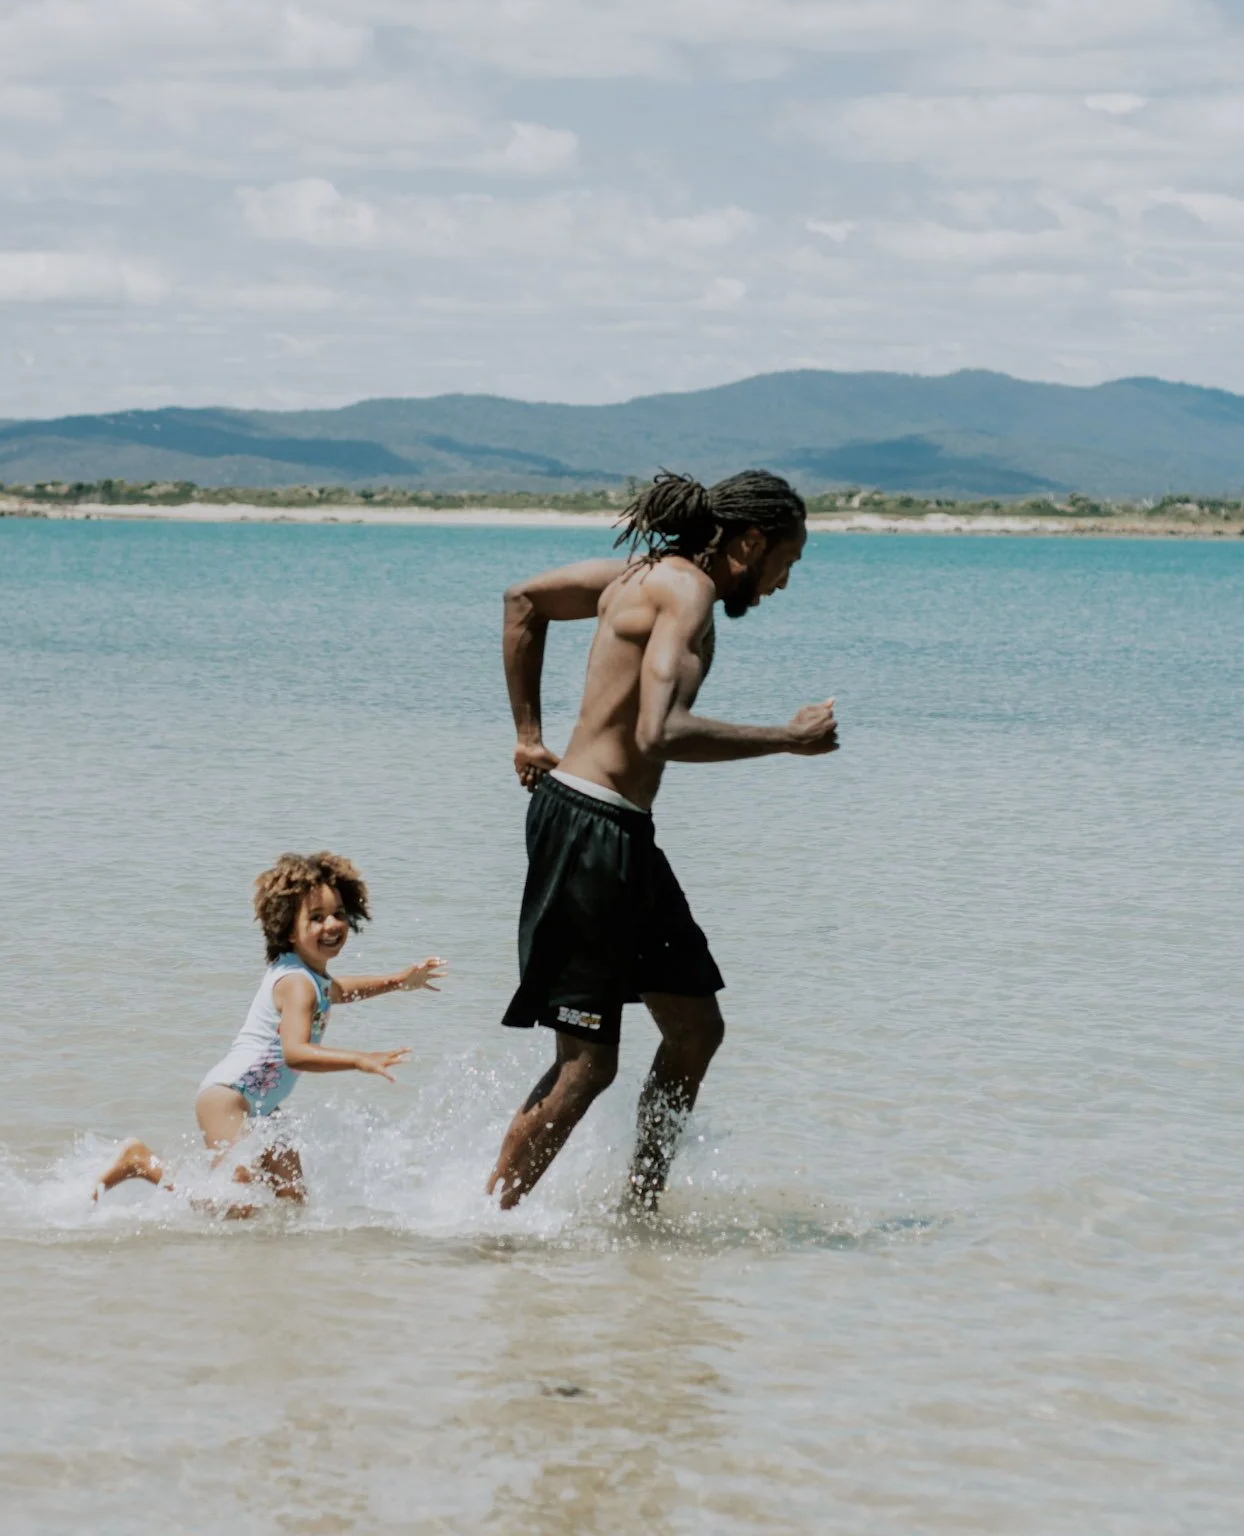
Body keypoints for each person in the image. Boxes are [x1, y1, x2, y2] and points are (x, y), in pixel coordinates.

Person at [487, 469, 839, 1213]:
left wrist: (528, 735)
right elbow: (661, 730)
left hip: (617, 832)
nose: (782, 583)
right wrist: (787, 739)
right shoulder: (687, 591)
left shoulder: (637, 575)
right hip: (590, 830)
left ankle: (638, 1207)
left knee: (693, 1028)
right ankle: (489, 1222)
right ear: (748, 542)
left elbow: (524, 600)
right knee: (587, 1066)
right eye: (787, 561)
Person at [95, 851, 445, 1213]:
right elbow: (295, 1052)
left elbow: (341, 991)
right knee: (234, 1205)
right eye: (316, 918)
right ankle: (141, 1162)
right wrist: (358, 1059)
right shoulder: (297, 983)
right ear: (288, 930)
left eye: (338, 914)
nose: (332, 925)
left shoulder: (309, 975)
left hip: (263, 1106)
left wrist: (398, 981)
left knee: (292, 1202)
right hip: (229, 1097)